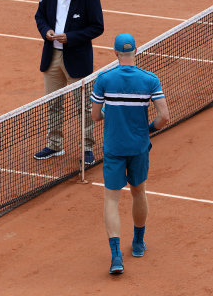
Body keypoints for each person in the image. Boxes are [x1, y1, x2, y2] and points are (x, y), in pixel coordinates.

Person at [91, 33, 169, 275]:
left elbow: (95, 115)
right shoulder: (150, 80)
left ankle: (116, 257)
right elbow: (164, 117)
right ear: (136, 51)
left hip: (114, 148)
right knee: (139, 192)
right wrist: (146, 130)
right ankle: (138, 242)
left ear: (115, 53)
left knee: (111, 200)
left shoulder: (104, 80)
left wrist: (111, 116)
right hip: (138, 147)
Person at [34, 0, 104, 164]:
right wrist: (46, 31)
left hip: (77, 59)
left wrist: (70, 38)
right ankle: (54, 145)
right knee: (53, 103)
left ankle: (87, 148)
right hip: (52, 57)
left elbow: (97, 26)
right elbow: (39, 16)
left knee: (83, 106)